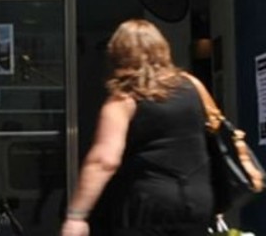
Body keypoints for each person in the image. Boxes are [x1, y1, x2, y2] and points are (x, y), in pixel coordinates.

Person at [61, 19, 212, 236]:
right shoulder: (194, 87)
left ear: (117, 55)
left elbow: (104, 161)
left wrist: (76, 216)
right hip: (198, 198)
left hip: (147, 203)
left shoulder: (123, 100)